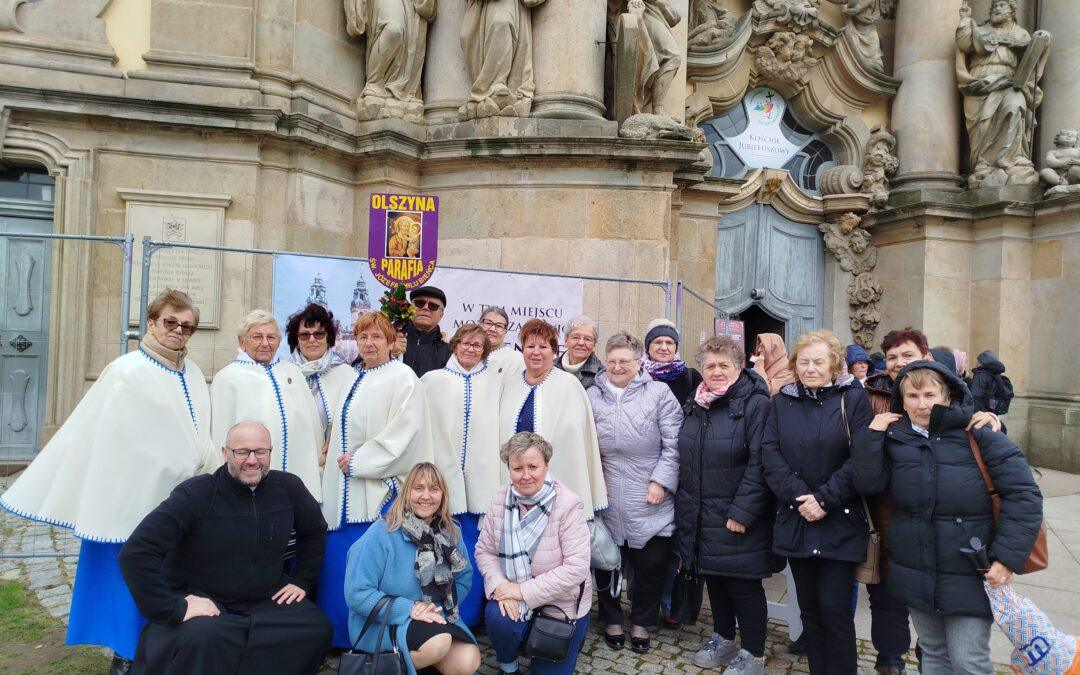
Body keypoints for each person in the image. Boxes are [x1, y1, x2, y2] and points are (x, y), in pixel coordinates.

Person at [0, 289, 218, 672]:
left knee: (169, 576)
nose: (178, 331)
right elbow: (114, 438)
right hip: (129, 497)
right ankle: (125, 654)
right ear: (151, 323)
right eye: (170, 322)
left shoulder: (194, 373)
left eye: (187, 327)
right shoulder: (126, 370)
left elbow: (199, 429)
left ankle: (163, 647)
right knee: (125, 581)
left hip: (179, 498)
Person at [854, 361, 1043, 674]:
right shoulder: (896, 437)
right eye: (912, 396)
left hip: (970, 568)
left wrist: (1007, 558)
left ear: (947, 396)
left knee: (968, 661)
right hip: (915, 567)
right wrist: (871, 436)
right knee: (934, 654)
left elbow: (1024, 495)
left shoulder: (978, 432)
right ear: (901, 399)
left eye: (930, 394)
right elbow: (868, 484)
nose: (922, 404)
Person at [118, 421, 332, 675]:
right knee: (204, 637)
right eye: (242, 452)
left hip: (265, 599)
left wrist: (303, 581)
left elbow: (315, 531)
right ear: (225, 452)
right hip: (205, 599)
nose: (252, 460)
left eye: (260, 451)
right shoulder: (196, 494)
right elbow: (137, 552)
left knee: (316, 628)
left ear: (270, 452)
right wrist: (174, 608)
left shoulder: (288, 487)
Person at [862, 328, 1001, 674]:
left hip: (951, 539)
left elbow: (1011, 483)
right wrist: (871, 435)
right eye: (892, 357)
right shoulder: (870, 395)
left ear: (924, 356)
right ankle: (890, 661)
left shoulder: (958, 405)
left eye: (906, 356)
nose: (898, 363)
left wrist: (994, 421)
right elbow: (864, 472)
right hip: (893, 530)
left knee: (957, 648)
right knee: (900, 616)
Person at [762, 329, 873, 675]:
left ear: (834, 365)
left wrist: (823, 499)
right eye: (804, 361)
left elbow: (862, 458)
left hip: (839, 518)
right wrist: (800, 500)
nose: (810, 368)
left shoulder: (852, 399)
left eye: (818, 361)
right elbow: (770, 453)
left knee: (835, 611)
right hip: (796, 519)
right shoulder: (782, 402)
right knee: (809, 611)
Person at [318, 310, 430, 648]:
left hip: (377, 488)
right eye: (363, 337)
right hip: (344, 488)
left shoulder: (403, 377)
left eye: (377, 337)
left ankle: (374, 640)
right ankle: (337, 634)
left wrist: (360, 461)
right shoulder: (354, 375)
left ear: (392, 342)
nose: (369, 343)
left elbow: (405, 433)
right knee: (340, 562)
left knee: (372, 564)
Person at [678, 337, 774, 675]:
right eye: (710, 366)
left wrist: (742, 512)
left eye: (724, 366)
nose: (716, 371)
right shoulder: (698, 402)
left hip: (737, 512)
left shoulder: (755, 403)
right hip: (703, 510)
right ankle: (722, 636)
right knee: (715, 578)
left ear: (738, 368)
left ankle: (754, 654)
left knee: (743, 583)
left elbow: (761, 462)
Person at [588, 332, 682, 654]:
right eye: (611, 360)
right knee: (605, 561)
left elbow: (674, 444)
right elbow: (585, 446)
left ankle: (642, 621)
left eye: (624, 361)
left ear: (639, 361)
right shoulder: (591, 396)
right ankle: (612, 618)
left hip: (650, 496)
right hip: (607, 495)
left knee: (651, 565)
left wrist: (660, 482)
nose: (617, 366)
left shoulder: (659, 394)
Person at [344, 463, 481, 675]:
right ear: (407, 492)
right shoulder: (381, 533)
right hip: (386, 621)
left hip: (434, 614)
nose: (426, 496)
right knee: (439, 643)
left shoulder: (450, 533)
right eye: (419, 488)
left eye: (434, 489)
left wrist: (435, 608)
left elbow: (464, 579)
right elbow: (357, 593)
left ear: (443, 495)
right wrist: (410, 609)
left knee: (468, 660)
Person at [474, 432, 592, 675]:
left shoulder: (568, 504)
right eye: (517, 468)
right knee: (498, 616)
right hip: (513, 596)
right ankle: (509, 664)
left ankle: (568, 640)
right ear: (509, 469)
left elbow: (577, 568)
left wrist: (522, 591)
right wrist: (500, 586)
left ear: (546, 465)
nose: (526, 475)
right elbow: (485, 551)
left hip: (560, 604)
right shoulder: (499, 499)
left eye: (533, 466)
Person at [421, 323, 503, 626]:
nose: (470, 349)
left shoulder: (495, 382)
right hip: (444, 478)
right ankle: (441, 611)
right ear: (455, 345)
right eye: (465, 343)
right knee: (443, 547)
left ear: (485, 351)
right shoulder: (433, 380)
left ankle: (472, 615)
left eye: (477, 346)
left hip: (484, 480)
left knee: (479, 549)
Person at [211, 310, 323, 500]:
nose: (265, 343)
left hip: (299, 473)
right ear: (242, 341)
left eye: (271, 337)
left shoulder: (293, 373)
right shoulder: (227, 378)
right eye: (257, 337)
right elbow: (219, 434)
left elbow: (312, 424)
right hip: (252, 476)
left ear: (279, 341)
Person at [500, 318, 608, 515]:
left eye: (543, 346)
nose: (536, 352)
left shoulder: (569, 385)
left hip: (556, 485)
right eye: (530, 346)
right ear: (522, 349)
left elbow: (574, 443)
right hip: (515, 486)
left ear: (553, 351)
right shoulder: (510, 384)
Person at [285, 303, 356, 451]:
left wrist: (339, 439)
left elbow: (357, 420)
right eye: (304, 335)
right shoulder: (283, 374)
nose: (312, 340)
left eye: (319, 334)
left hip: (333, 459)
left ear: (328, 337)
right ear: (296, 339)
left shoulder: (348, 375)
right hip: (293, 456)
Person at [641, 318, 703, 405]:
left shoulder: (691, 377)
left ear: (675, 347)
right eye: (658, 342)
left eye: (669, 343)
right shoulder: (636, 374)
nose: (664, 348)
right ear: (648, 346)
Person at [402, 285, 452, 378]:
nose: (425, 308)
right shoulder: (389, 341)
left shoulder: (449, 353)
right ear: (410, 308)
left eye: (433, 306)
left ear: (441, 315)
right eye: (419, 303)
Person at [554, 315, 605, 389]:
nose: (581, 343)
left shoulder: (601, 375)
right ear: (565, 340)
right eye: (575, 337)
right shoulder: (550, 368)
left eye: (587, 339)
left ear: (594, 344)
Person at [480, 306, 524, 376]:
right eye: (488, 323)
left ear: (505, 331)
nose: (492, 329)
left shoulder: (516, 360)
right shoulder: (468, 355)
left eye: (499, 326)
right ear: (480, 325)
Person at [970, 349, 1014, 417]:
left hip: (980, 416)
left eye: (978, 361)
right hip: (993, 415)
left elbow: (974, 398)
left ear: (982, 362)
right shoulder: (997, 375)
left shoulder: (981, 375)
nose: (976, 363)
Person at [752, 333, 795, 397]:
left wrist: (759, 367)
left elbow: (769, 393)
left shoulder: (788, 369)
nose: (759, 349)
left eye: (762, 346)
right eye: (759, 346)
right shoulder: (766, 363)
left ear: (773, 348)